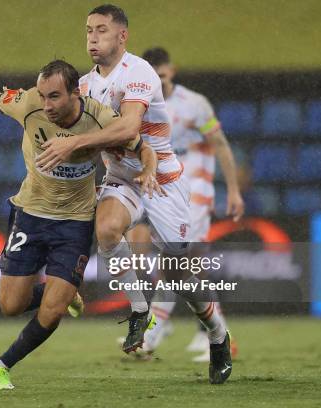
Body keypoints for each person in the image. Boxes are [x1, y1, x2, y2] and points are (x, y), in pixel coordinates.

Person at [36, 4, 232, 384]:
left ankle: (217, 335)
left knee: (179, 274)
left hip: (162, 179)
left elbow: (128, 129)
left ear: (122, 36)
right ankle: (140, 309)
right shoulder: (86, 85)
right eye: (89, 30)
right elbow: (92, 142)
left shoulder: (138, 71)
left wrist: (76, 142)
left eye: (102, 30)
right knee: (107, 229)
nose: (93, 37)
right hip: (122, 178)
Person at [0, 59, 156, 390]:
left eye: (54, 97)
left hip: (75, 222)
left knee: (52, 310)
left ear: (75, 93)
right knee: (10, 305)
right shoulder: (29, 104)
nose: (47, 105)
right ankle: (63, 291)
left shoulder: (99, 117)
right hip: (30, 214)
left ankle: (2, 365)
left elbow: (144, 148)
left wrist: (148, 170)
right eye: (43, 96)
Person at [128, 47, 244, 362]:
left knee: (183, 259)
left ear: (172, 71)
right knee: (179, 264)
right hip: (161, 193)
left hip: (196, 192)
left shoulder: (194, 104)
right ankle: (209, 332)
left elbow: (220, 144)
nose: (159, 81)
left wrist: (233, 190)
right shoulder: (138, 107)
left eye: (163, 74)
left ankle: (158, 328)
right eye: (153, 76)